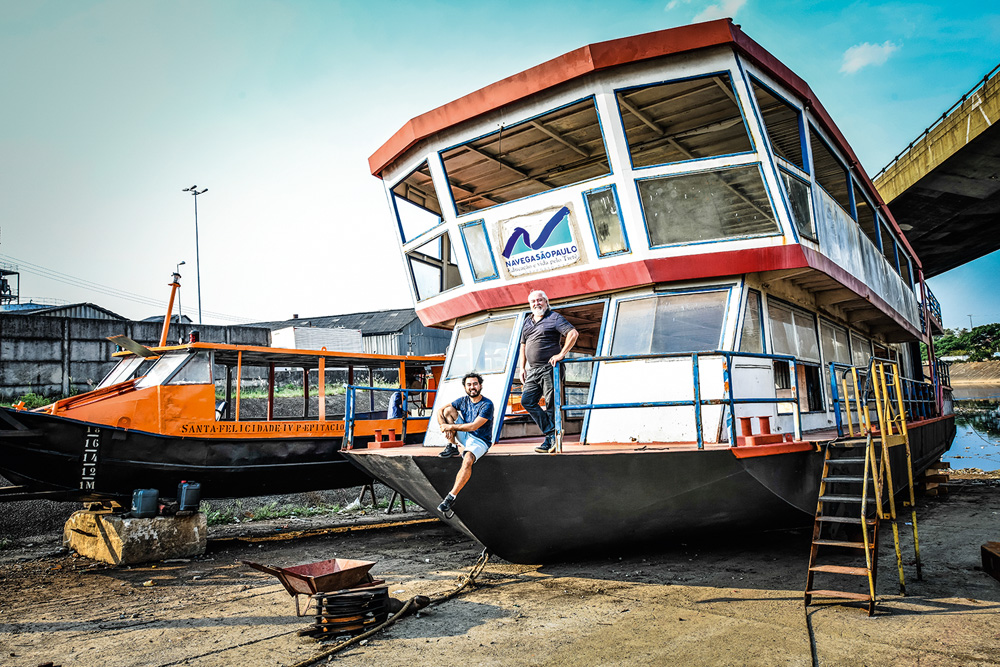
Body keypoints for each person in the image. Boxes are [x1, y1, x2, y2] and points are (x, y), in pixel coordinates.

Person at [518, 289, 578, 453]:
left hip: (549, 369)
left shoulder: (554, 318)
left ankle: (550, 439)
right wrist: (522, 368)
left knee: (551, 404)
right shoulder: (527, 321)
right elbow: (523, 345)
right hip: (532, 371)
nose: (536, 304)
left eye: (539, 300)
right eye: (533, 302)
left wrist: (561, 354)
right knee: (527, 401)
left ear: (546, 301)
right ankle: (552, 432)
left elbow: (572, 333)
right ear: (530, 304)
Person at [435, 372, 494, 517]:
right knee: (448, 411)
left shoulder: (487, 404)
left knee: (467, 460)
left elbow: (474, 426)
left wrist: (451, 427)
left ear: (480, 386)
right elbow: (440, 410)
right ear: (465, 387)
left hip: (480, 440)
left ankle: (450, 498)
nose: (472, 387)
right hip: (465, 436)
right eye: (469, 384)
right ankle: (452, 446)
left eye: (475, 384)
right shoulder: (462, 401)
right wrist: (444, 425)